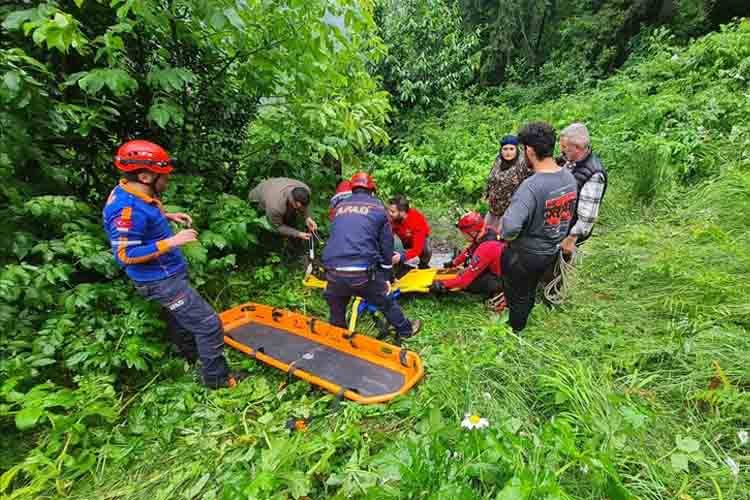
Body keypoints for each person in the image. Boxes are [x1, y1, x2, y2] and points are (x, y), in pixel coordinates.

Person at [102, 140, 242, 389]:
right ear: (145, 176)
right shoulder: (126, 209)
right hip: (160, 281)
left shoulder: (133, 191)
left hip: (166, 275)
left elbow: (145, 214)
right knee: (209, 324)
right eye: (163, 176)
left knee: (181, 321)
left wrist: (167, 216)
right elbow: (124, 254)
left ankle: (196, 360)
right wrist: (171, 242)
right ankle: (217, 381)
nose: (167, 181)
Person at [322, 172, 421, 340]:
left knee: (337, 307)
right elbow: (386, 245)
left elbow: (337, 237)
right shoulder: (377, 208)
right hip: (361, 273)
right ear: (372, 191)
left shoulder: (339, 208)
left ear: (352, 190)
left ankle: (338, 338)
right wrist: (387, 276)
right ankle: (406, 330)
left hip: (333, 272)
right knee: (385, 299)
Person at [501, 123, 577, 332]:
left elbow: (509, 228)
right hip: (552, 250)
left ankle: (516, 330)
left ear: (530, 150)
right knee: (531, 288)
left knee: (519, 295)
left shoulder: (531, 186)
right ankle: (524, 316)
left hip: (526, 254)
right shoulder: (568, 178)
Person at [430, 212, 505, 303]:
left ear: (472, 232)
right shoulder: (486, 231)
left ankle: (499, 291)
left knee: (469, 283)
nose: (462, 236)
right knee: (464, 272)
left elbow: (465, 280)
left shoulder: (486, 247)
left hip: (503, 279)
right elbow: (469, 250)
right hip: (501, 272)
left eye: (463, 233)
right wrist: (454, 263)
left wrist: (442, 284)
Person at [558, 123, 608, 254]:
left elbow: (588, 215)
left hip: (569, 233)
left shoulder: (594, 174)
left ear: (578, 147)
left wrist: (572, 238)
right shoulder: (572, 160)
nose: (562, 151)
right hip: (560, 225)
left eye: (565, 147)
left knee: (558, 269)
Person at [484, 135, 531, 233]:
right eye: (505, 149)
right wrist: (486, 194)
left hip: (510, 211)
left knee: (501, 238)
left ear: (516, 149)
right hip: (494, 208)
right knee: (487, 235)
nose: (508, 152)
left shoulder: (523, 164)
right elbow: (491, 177)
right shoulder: (499, 160)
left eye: (511, 149)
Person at [249, 177, 318, 240]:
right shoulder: (275, 206)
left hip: (277, 184)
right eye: (299, 208)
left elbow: (304, 206)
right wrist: (298, 234)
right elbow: (278, 227)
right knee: (264, 223)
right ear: (292, 201)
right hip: (257, 197)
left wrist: (308, 217)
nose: (302, 209)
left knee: (290, 216)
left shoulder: (305, 189)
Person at [387, 195, 432, 272]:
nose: (389, 213)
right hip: (404, 241)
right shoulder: (393, 219)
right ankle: (400, 269)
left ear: (402, 212)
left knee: (426, 249)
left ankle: (423, 266)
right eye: (389, 210)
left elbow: (417, 249)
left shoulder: (417, 220)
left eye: (392, 212)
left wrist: (401, 257)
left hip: (419, 243)